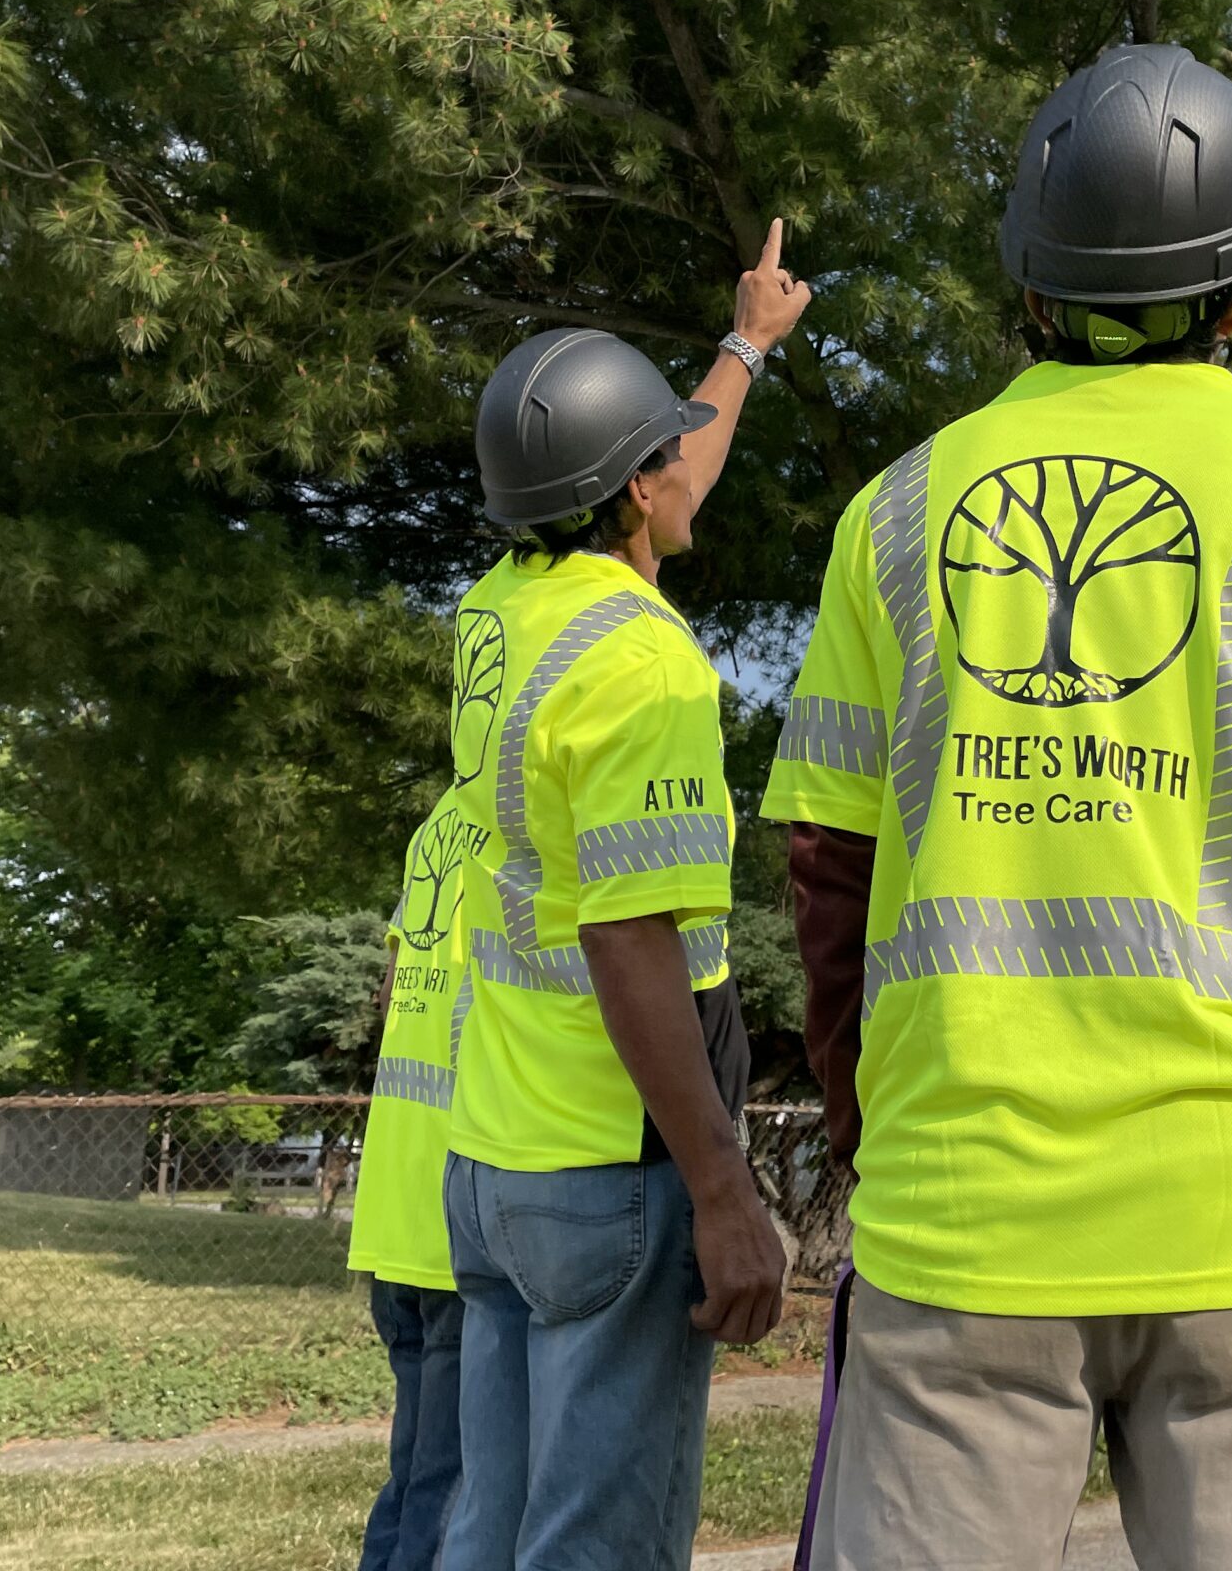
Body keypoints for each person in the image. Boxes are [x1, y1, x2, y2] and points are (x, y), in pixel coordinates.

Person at [761, 45, 1232, 1571]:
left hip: (960, 1225)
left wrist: (875, 1148)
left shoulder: (893, 519)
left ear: (1026, 284)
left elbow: (829, 884)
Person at [436, 229, 811, 1570]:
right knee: (596, 1550)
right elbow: (630, 938)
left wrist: (747, 343)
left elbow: (667, 466)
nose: (682, 466)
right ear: (635, 493)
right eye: (664, 456)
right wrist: (723, 1191)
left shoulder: (502, 611)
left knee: (489, 1531)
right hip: (611, 1173)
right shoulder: (644, 665)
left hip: (491, 1170)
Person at [346, 792, 476, 1571]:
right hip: (458, 1222)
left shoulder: (439, 823)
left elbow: (397, 989)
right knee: (448, 1485)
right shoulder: (514, 815)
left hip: (393, 1214)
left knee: (417, 1473)